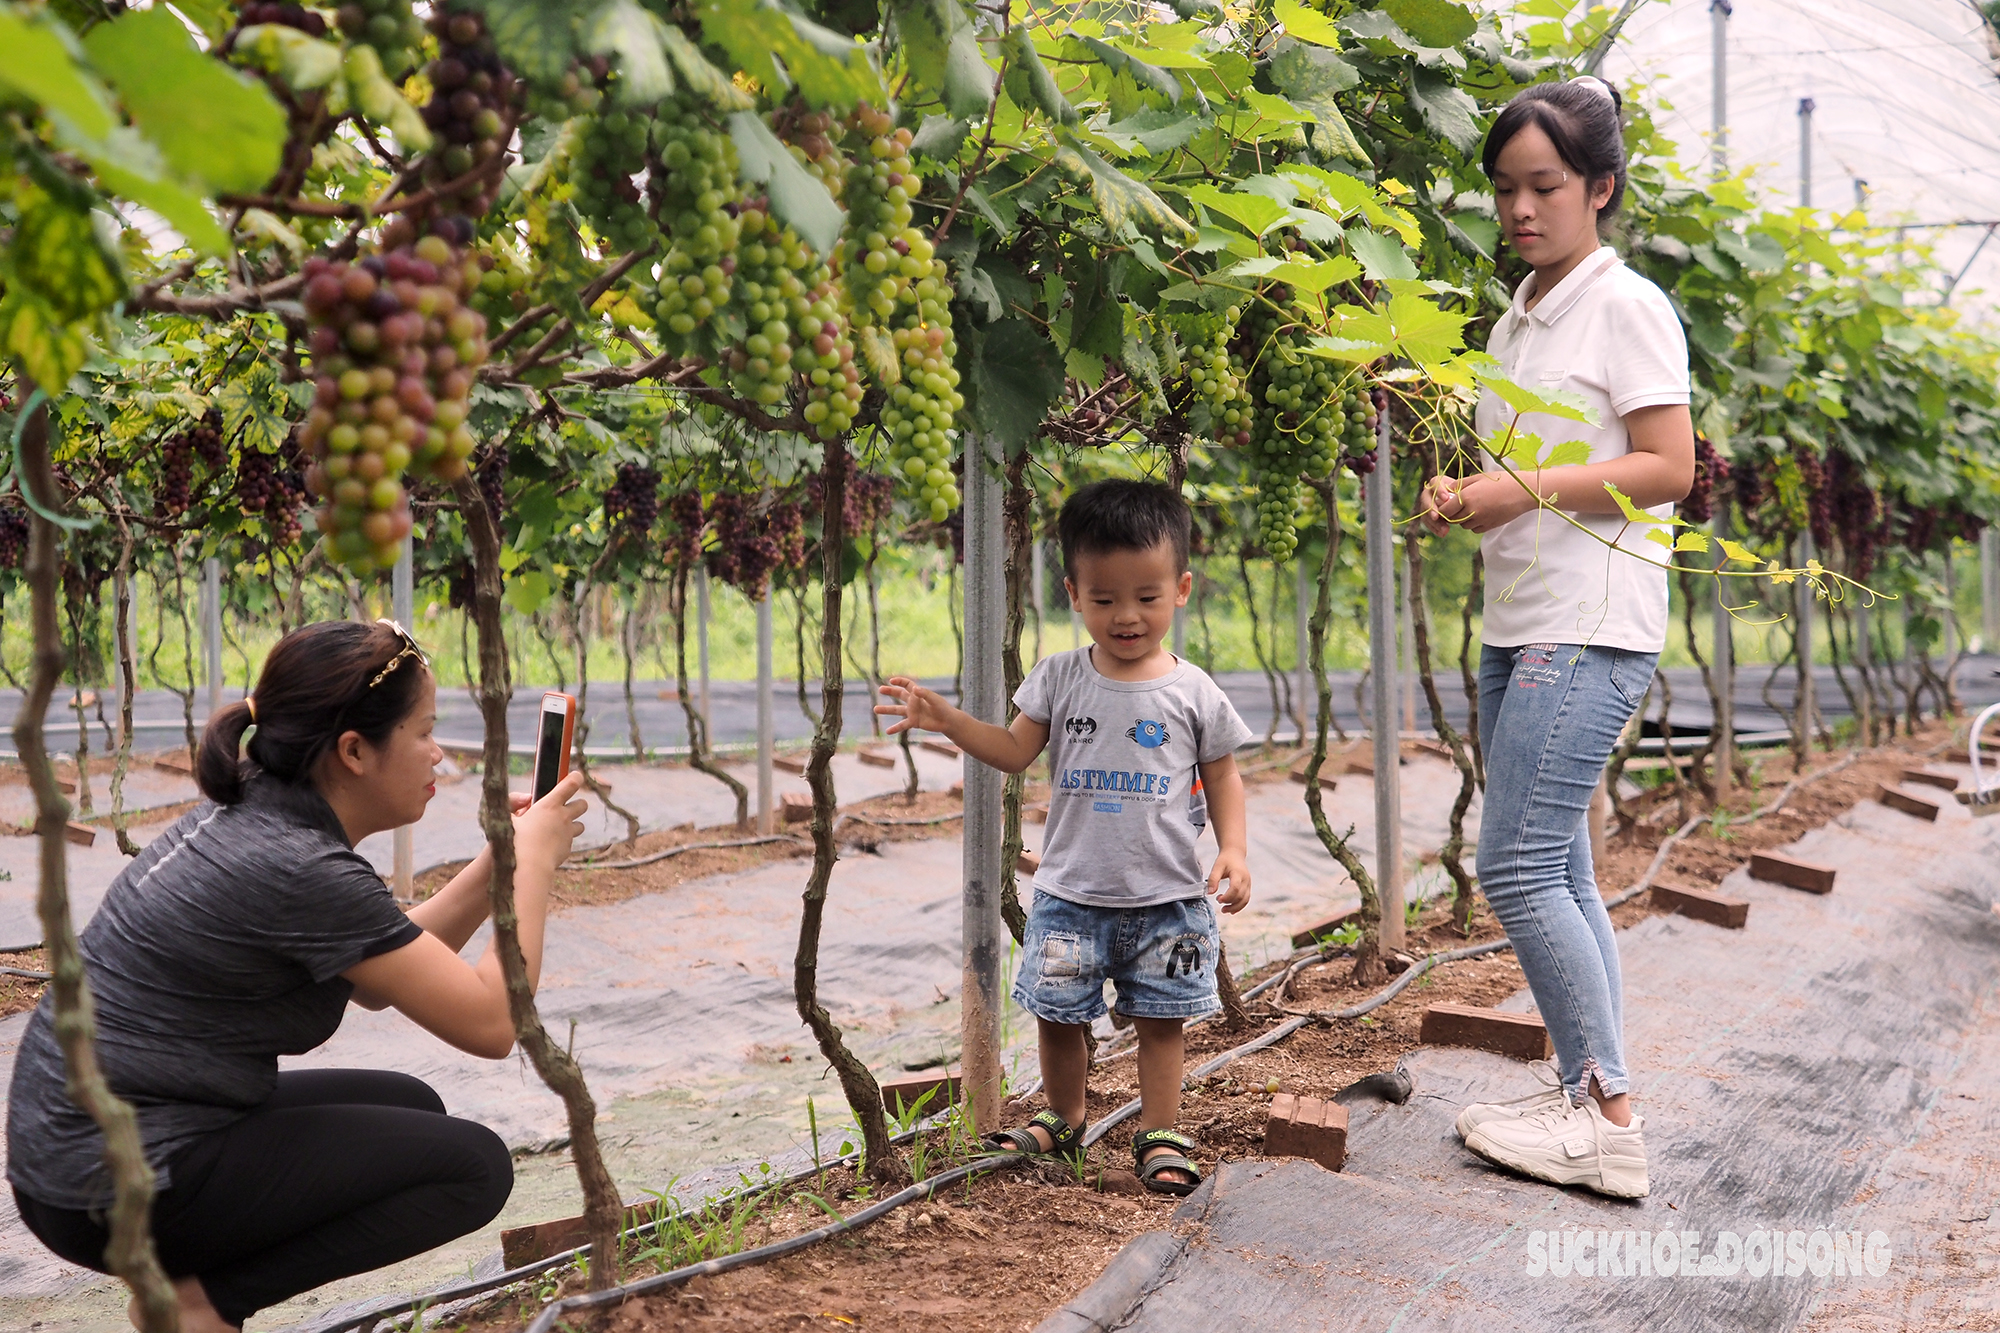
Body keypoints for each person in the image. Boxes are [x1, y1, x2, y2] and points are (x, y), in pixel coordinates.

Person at [6, 619, 589, 1332]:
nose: (439, 754)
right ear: (353, 751)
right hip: (105, 1182)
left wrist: (505, 852)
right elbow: (495, 1022)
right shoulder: (299, 864)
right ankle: (205, 1304)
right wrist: (536, 865)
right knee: (472, 1166)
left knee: (411, 1103)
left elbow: (379, 978)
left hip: (81, 1142)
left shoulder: (264, 812)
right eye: (424, 732)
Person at [1418, 75, 1694, 1200]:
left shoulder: (1623, 305)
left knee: (1516, 864)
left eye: (1543, 187)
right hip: (1521, 618)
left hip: (1588, 626)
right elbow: (1523, 475)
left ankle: (1608, 1120)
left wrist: (1521, 489)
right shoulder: (1516, 315)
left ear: (1598, 188)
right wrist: (1467, 492)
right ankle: (1583, 1092)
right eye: (1503, 190)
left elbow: (1666, 466)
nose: (1519, 209)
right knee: (1563, 869)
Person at [876, 479, 1253, 1195]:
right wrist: (944, 717)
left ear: (1182, 589)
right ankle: (1066, 1114)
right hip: (1070, 892)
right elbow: (1014, 750)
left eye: (1146, 596)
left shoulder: (1195, 691)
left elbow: (1224, 776)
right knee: (1058, 1011)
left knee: (1159, 1018)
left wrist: (1233, 849)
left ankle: (1162, 1129)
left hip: (1167, 894)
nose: (1126, 615)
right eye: (1104, 598)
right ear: (1074, 594)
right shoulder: (1059, 678)